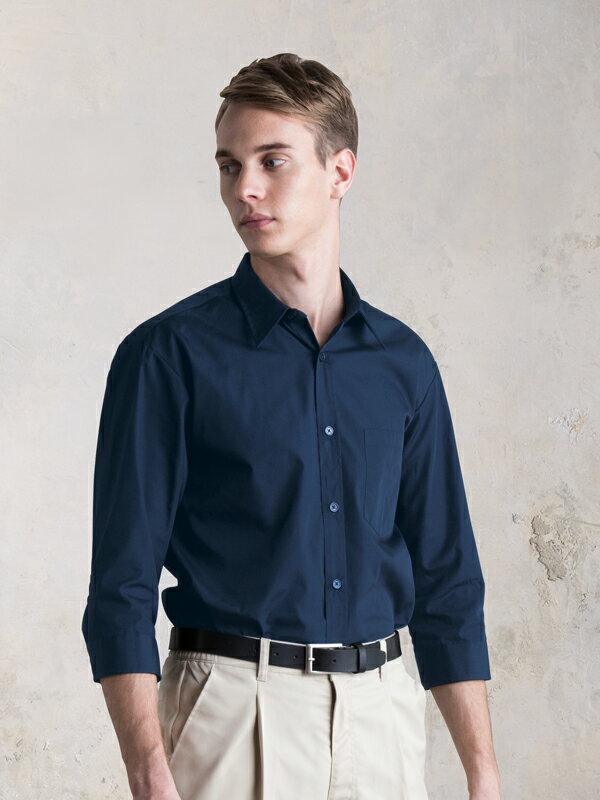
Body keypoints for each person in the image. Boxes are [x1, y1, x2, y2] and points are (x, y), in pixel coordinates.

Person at [81, 52, 501, 800]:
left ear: (340, 171)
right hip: (233, 715)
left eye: (272, 161)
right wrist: (149, 772)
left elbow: (447, 578)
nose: (244, 188)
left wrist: (482, 771)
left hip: (384, 717)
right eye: (229, 165)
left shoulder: (403, 363)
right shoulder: (167, 356)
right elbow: (121, 585)